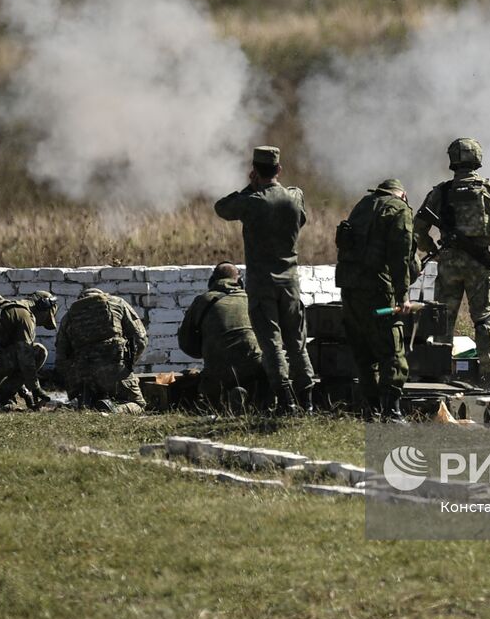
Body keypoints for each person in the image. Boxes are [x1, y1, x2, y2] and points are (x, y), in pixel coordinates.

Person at [213, 146, 316, 413]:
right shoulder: (295, 197)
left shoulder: (252, 201)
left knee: (271, 344)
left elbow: (221, 208)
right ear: (279, 169)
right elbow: (301, 217)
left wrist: (250, 187)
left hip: (262, 284)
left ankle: (286, 401)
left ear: (254, 171)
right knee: (296, 343)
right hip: (290, 282)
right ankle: (308, 401)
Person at [414, 137, 490, 389]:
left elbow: (418, 228)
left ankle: (439, 374)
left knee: (443, 319)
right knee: (484, 319)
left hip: (448, 265)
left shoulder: (441, 191)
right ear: (478, 159)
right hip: (479, 267)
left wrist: (433, 251)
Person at [336, 179, 419, 422]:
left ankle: (370, 409)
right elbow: (400, 257)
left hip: (350, 290)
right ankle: (392, 411)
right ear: (402, 195)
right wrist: (403, 295)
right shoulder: (399, 209)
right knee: (392, 349)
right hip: (378, 292)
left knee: (363, 350)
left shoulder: (362, 205)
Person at [177, 263, 267, 414]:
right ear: (240, 282)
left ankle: (227, 400)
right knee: (259, 383)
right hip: (253, 367)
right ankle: (247, 399)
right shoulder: (251, 300)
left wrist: (206, 351)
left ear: (212, 281)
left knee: (211, 402)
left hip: (217, 371)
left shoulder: (202, 301)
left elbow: (186, 343)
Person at [56, 287, 148, 413]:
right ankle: (114, 411)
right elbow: (141, 339)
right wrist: (128, 365)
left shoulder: (69, 316)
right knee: (138, 404)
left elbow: (61, 356)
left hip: (83, 373)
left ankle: (82, 403)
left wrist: (74, 381)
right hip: (114, 367)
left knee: (89, 401)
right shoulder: (117, 303)